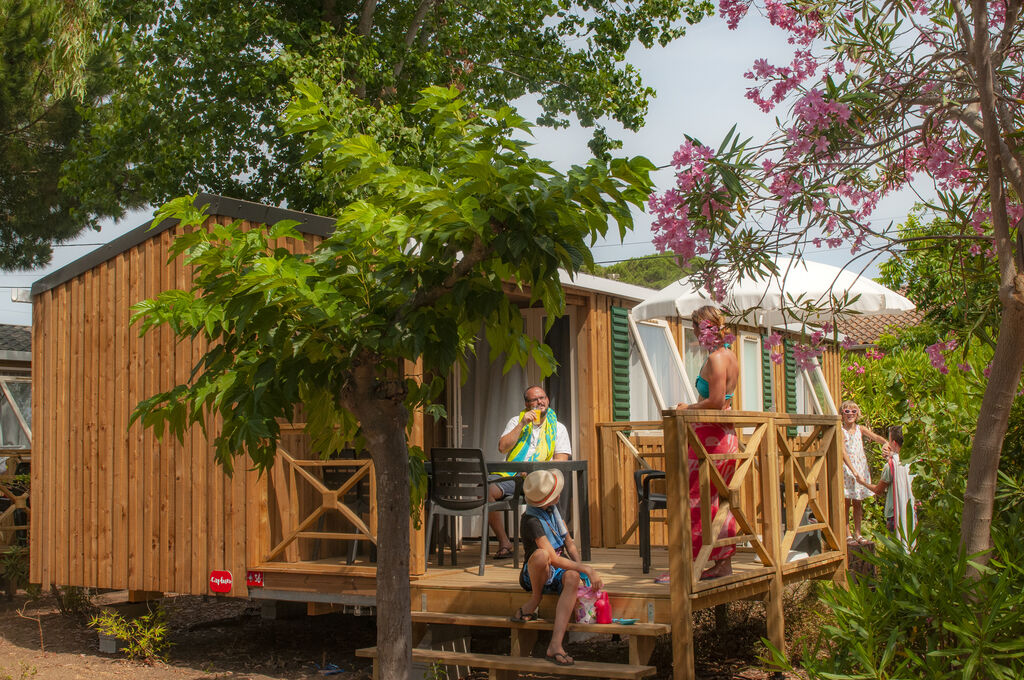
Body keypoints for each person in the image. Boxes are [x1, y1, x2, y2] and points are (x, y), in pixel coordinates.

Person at [657, 305, 740, 584]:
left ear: (708, 328)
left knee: (696, 500)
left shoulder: (717, 358)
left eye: (697, 328)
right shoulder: (731, 356)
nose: (696, 334)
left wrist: (685, 406)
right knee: (718, 501)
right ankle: (722, 564)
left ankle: (689, 568)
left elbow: (715, 402)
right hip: (726, 436)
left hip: (710, 438)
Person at [511, 468, 602, 667]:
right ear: (545, 500)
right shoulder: (531, 520)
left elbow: (568, 542)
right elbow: (552, 558)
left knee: (571, 578)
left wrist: (580, 569)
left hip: (557, 571)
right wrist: (586, 569)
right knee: (542, 555)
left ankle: (555, 644)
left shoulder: (553, 510)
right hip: (536, 572)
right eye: (555, 492)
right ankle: (536, 598)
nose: (559, 494)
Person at [487, 385, 571, 559]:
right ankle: (504, 542)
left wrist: (534, 468)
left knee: (548, 489)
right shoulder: (516, 421)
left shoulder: (558, 427)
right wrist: (522, 423)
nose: (540, 402)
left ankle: (555, 545)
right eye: (534, 399)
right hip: (514, 476)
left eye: (542, 398)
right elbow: (503, 448)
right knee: (486, 490)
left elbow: (561, 460)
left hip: (539, 478)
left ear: (547, 400)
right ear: (526, 404)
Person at [840, 400, 889, 543]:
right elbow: (843, 453)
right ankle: (847, 534)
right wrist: (853, 470)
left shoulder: (860, 429)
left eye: (853, 411)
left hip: (860, 468)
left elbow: (875, 437)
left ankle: (858, 533)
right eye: (847, 411)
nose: (850, 414)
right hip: (848, 470)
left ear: (857, 414)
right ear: (842, 414)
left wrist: (886, 443)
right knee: (846, 502)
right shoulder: (841, 430)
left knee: (858, 502)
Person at [858, 426, 915, 540]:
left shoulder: (891, 465)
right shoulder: (914, 462)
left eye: (888, 441)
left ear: (893, 443)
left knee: (895, 545)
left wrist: (862, 482)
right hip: (912, 511)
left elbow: (878, 490)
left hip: (895, 513)